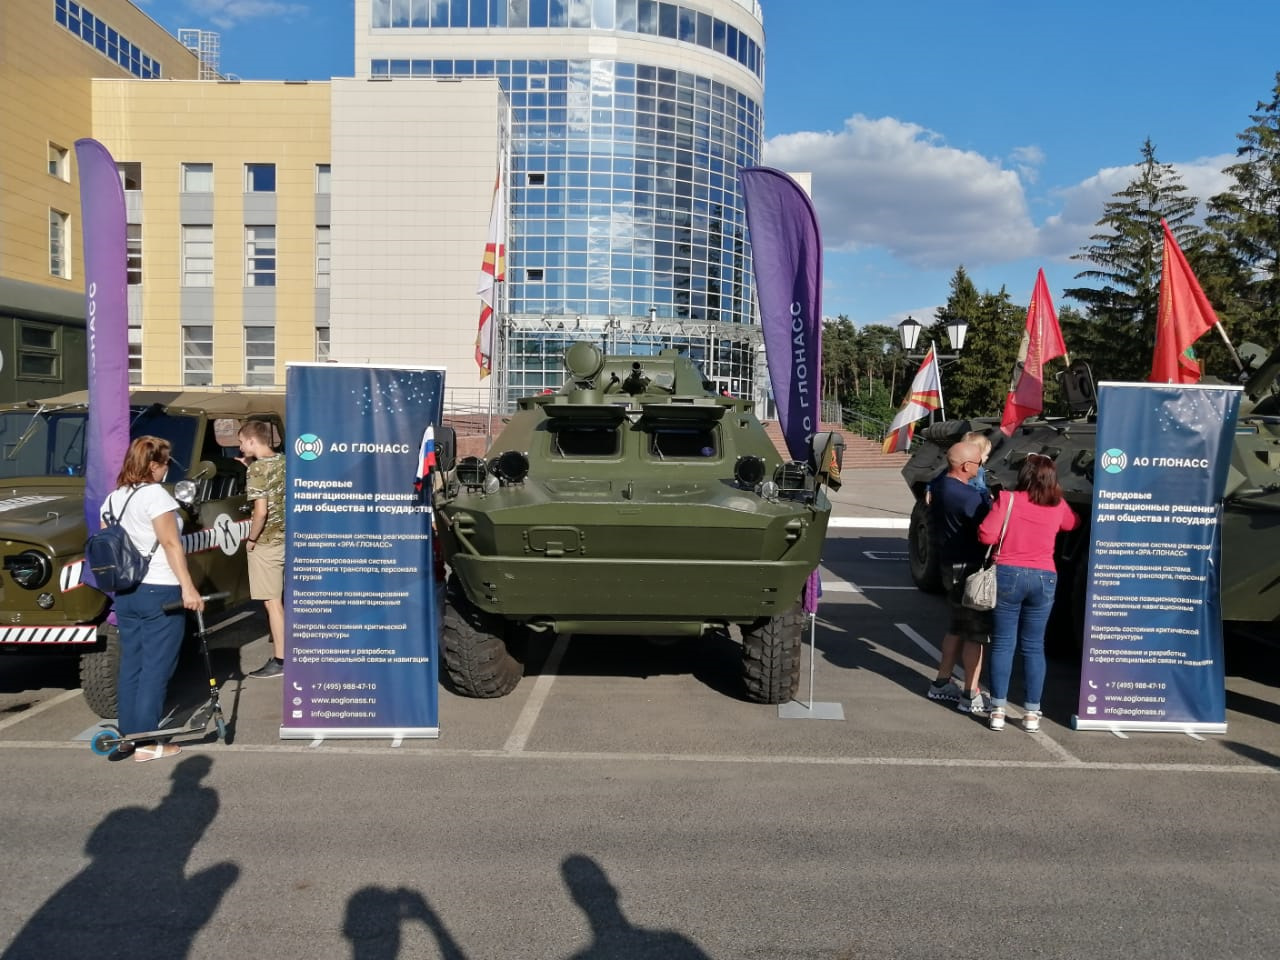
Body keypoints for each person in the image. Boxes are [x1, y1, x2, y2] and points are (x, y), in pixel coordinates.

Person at [101, 436, 204, 762]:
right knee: (156, 669)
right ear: (153, 464)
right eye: (166, 463)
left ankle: (128, 735)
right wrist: (188, 587)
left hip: (127, 592)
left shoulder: (113, 499)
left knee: (132, 664)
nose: (167, 469)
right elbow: (172, 545)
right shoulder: (156, 496)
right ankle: (147, 743)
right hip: (160, 588)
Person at [978, 452, 1080, 732]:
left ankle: (997, 710)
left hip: (1008, 574)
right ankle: (1032, 714)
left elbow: (986, 535)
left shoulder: (1008, 499)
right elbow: (1073, 524)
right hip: (1045, 577)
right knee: (1034, 646)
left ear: (1023, 475)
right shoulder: (1058, 505)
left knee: (1002, 643)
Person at [925, 439, 992, 714]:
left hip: (948, 565)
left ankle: (941, 682)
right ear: (966, 466)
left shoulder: (941, 486)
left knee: (955, 627)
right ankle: (970, 693)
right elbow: (990, 525)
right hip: (969, 570)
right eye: (978, 464)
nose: (980, 468)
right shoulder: (968, 497)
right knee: (975, 634)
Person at [240, 420, 287, 679]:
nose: (240, 446)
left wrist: (251, 539)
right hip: (288, 538)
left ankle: (281, 659)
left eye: (241, 442)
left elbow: (261, 511)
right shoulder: (284, 461)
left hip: (267, 541)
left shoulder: (256, 470)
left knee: (272, 603)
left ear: (251, 441)